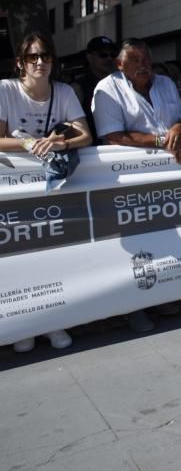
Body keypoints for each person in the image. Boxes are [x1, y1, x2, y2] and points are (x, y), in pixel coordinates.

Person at [1, 31, 92, 353]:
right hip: (15, 189)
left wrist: (60, 141)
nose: (40, 62)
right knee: (21, 256)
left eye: (45, 56)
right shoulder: (5, 89)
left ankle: (54, 322)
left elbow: (85, 134)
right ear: (20, 63)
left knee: (53, 254)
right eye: (32, 57)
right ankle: (25, 326)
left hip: (54, 188)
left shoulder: (64, 91)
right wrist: (27, 143)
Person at [92, 37, 181, 331]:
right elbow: (112, 136)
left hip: (168, 177)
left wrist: (179, 129)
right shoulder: (107, 89)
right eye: (134, 59)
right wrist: (162, 140)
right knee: (135, 246)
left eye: (146, 58)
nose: (143, 64)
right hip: (128, 181)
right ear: (120, 65)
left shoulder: (165, 84)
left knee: (165, 238)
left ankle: (163, 296)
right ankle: (134, 307)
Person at [71, 35, 119, 137]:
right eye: (103, 55)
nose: (109, 58)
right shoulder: (79, 87)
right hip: (91, 150)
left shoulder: (123, 83)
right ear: (89, 57)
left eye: (113, 55)